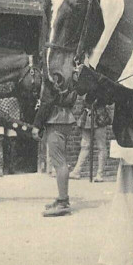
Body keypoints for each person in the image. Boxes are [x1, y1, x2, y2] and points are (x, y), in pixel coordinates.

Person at [32, 76, 78, 216]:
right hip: (65, 118)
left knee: (59, 162)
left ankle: (63, 203)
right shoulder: (69, 77)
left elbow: (46, 102)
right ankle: (61, 199)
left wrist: (37, 125)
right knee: (60, 161)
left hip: (55, 120)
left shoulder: (53, 79)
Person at [69, 102, 112, 182]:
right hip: (87, 115)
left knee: (101, 146)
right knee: (85, 145)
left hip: (99, 115)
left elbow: (108, 100)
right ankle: (77, 171)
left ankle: (100, 174)